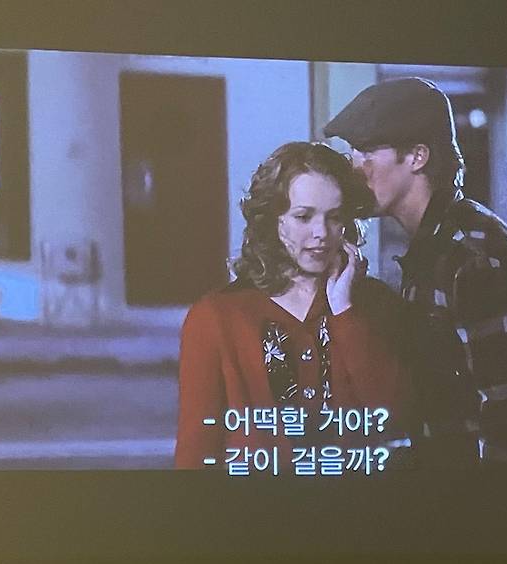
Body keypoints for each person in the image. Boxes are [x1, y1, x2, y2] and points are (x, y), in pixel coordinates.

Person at [324, 77, 507, 468]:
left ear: (417, 156)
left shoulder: (473, 256)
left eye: (366, 151)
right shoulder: (434, 249)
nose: (354, 166)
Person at [175, 141, 409, 471]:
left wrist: (344, 312)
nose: (321, 233)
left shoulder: (375, 305)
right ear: (273, 221)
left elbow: (396, 416)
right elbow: (196, 454)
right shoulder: (215, 317)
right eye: (303, 217)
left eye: (334, 217)